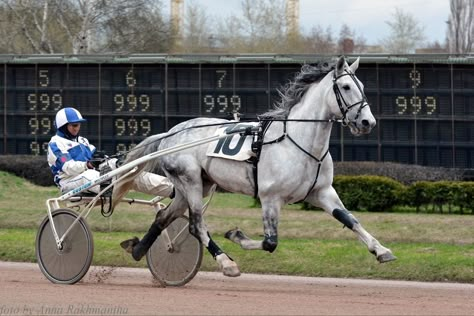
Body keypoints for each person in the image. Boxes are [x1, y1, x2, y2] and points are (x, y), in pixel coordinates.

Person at [47, 107, 174, 198]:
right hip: (70, 182)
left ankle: (172, 189)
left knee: (130, 171)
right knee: (90, 175)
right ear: (63, 126)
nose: (77, 128)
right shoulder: (56, 144)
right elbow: (69, 168)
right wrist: (88, 165)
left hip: (94, 179)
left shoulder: (83, 141)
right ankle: (110, 187)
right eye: (74, 125)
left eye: (78, 125)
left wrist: (113, 162)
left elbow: (97, 159)